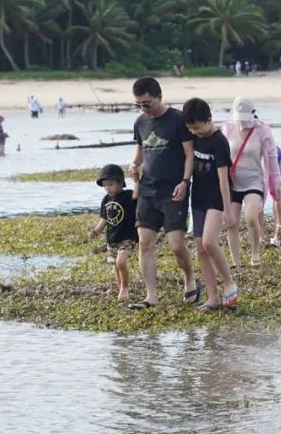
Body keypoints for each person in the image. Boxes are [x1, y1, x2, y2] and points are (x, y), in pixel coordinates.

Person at [127, 76, 197, 310]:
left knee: (176, 244)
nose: (144, 109)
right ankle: (151, 295)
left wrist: (185, 181)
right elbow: (140, 150)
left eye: (147, 103)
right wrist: (133, 165)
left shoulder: (177, 120)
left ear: (159, 97)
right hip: (147, 190)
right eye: (139, 105)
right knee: (145, 243)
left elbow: (189, 155)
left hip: (173, 190)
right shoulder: (140, 122)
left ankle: (189, 278)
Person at [182, 97, 239, 311]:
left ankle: (229, 282)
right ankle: (212, 297)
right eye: (191, 128)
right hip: (198, 198)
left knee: (208, 242)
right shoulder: (193, 137)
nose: (195, 132)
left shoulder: (219, 141)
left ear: (208, 120)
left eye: (198, 127)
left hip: (216, 198)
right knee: (200, 249)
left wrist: (228, 210)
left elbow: (225, 178)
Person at [222, 96, 281, 268]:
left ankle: (255, 254)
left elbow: (271, 156)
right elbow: (221, 154)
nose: (242, 121)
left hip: (254, 180)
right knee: (231, 222)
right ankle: (236, 260)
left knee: (250, 217)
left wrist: (275, 181)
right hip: (233, 181)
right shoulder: (228, 129)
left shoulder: (262, 130)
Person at [88, 164, 139, 300]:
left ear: (120, 183)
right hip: (112, 238)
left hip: (128, 236)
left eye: (110, 184)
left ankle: (125, 287)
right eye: (105, 185)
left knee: (121, 262)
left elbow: (137, 194)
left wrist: (136, 180)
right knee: (115, 266)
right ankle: (120, 288)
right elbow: (104, 218)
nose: (107, 188)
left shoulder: (127, 195)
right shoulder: (106, 199)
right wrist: (96, 231)